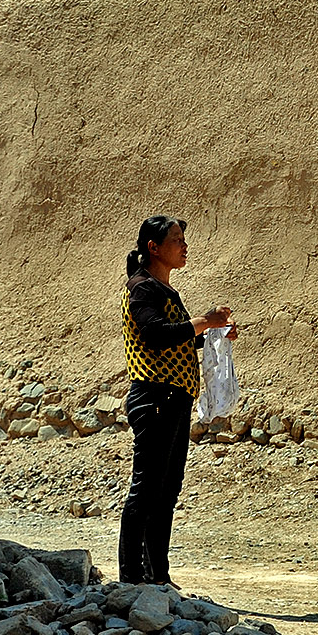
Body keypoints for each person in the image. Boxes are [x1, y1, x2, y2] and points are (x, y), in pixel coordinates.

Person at [118, 215, 232, 588]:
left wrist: (211, 336)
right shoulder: (142, 289)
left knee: (166, 490)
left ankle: (157, 576)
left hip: (173, 399)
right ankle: (132, 578)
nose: (184, 246)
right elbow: (154, 335)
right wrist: (203, 322)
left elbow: (176, 340)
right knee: (146, 489)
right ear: (153, 247)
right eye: (176, 239)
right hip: (154, 398)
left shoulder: (164, 291)